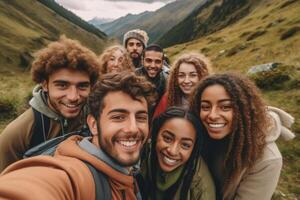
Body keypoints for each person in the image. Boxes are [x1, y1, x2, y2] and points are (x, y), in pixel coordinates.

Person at [0, 72, 157, 200]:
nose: (133, 128)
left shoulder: (126, 173)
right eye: (118, 117)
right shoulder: (75, 176)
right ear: (94, 125)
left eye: (141, 117)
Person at [0, 36, 100, 172]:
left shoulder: (94, 115)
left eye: (82, 86)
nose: (73, 97)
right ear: (45, 84)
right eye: (62, 85)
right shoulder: (16, 135)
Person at [190, 73, 295, 200]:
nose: (212, 115)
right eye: (205, 107)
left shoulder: (267, 160)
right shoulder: (199, 133)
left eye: (225, 107)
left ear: (243, 110)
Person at [139, 107, 216, 200]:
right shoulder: (142, 154)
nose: (172, 151)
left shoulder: (201, 187)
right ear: (155, 135)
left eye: (185, 145)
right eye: (167, 138)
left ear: (194, 150)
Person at [153, 53, 211, 119]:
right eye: (181, 75)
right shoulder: (168, 98)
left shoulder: (210, 98)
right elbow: (156, 125)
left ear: (202, 76)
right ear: (175, 78)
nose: (186, 81)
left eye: (193, 75)